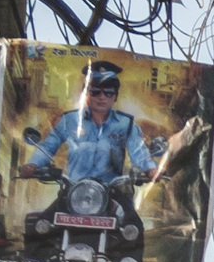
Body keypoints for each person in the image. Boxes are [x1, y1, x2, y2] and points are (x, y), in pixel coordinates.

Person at [23, 59, 158, 188]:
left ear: (115, 96)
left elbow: (139, 152)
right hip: (74, 189)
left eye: (108, 93)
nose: (102, 97)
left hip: (113, 191)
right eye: (95, 92)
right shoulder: (69, 120)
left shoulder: (126, 124)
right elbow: (48, 147)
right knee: (47, 213)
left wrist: (151, 170)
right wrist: (32, 165)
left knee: (130, 212)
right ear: (86, 94)